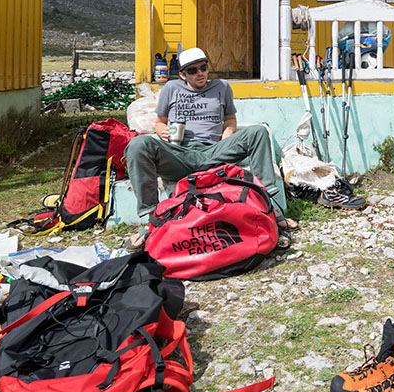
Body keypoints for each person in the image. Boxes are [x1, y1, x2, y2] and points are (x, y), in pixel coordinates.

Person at [123, 47, 296, 247]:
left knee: (257, 132)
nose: (200, 73)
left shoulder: (222, 87)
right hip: (180, 153)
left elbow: (230, 119)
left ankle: (268, 207)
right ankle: (153, 217)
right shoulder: (171, 89)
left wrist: (228, 132)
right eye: (192, 70)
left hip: (213, 151)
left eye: (203, 68)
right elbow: (159, 121)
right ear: (182, 75)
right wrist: (161, 130)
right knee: (137, 144)